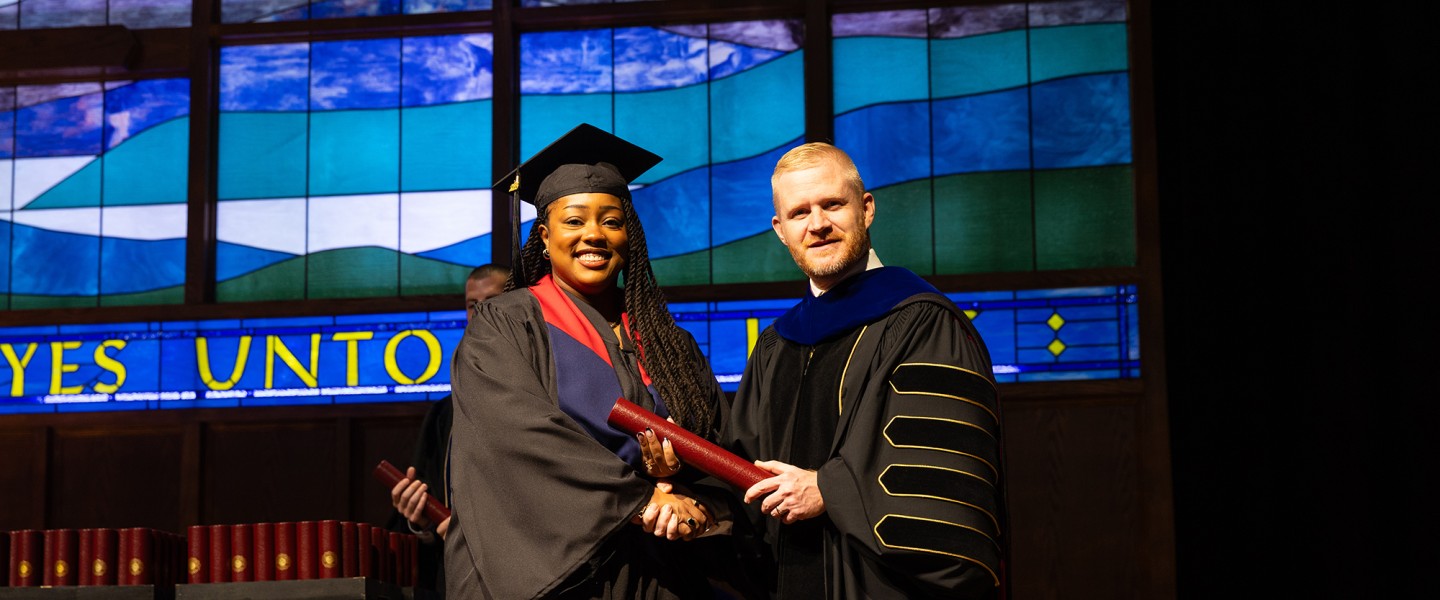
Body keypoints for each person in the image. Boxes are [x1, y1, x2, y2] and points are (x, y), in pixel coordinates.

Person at [444, 124, 742, 599]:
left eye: (611, 220)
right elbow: (516, 436)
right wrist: (640, 499)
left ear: (630, 234)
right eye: (575, 220)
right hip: (552, 575)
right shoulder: (507, 324)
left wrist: (693, 503)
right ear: (544, 236)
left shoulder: (668, 342)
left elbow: (720, 450)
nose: (594, 236)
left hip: (657, 571)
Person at [723, 143, 1007, 599]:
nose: (817, 224)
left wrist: (829, 490)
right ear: (780, 229)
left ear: (866, 208)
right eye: (799, 213)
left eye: (832, 205)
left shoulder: (922, 322)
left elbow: (937, 480)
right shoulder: (776, 345)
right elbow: (744, 470)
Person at [389, 263, 511, 598]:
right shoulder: (446, 413)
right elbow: (428, 518)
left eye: (493, 300)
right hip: (464, 578)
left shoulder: (550, 389)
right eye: (473, 305)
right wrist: (418, 519)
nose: (482, 312)